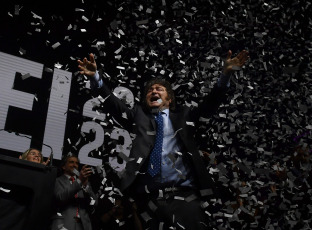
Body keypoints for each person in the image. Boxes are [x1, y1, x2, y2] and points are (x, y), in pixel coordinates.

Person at [77, 50, 249, 229]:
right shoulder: (138, 116)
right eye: (150, 90)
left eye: (159, 89)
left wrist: (226, 75)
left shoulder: (184, 115)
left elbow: (210, 104)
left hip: (185, 198)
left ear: (169, 98)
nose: (153, 91)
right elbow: (114, 105)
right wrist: (95, 78)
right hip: (148, 201)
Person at [51, 154, 96, 230]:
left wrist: (85, 187)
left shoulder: (85, 182)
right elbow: (60, 197)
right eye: (71, 162)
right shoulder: (57, 181)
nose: (75, 165)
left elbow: (95, 202)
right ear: (63, 166)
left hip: (83, 225)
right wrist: (79, 181)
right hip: (63, 224)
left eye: (77, 163)